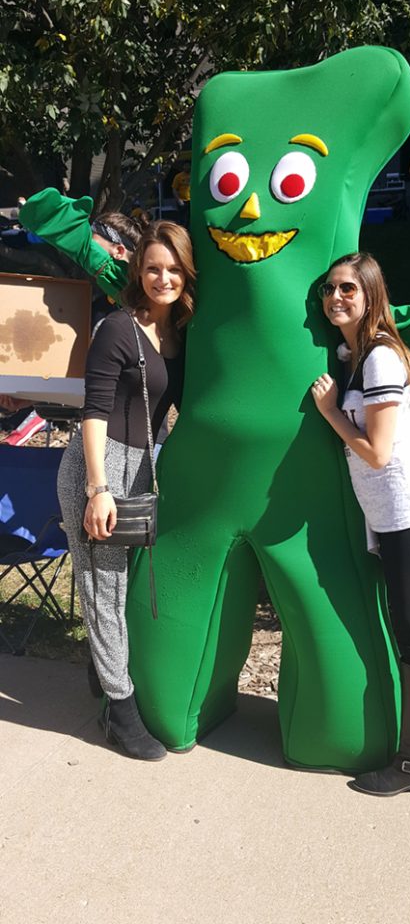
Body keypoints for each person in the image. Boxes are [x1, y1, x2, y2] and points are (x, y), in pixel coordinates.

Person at [311, 251, 410, 797]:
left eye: (348, 290)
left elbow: (378, 452)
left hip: (406, 517)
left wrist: (332, 412)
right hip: (407, 515)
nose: (336, 298)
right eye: (330, 289)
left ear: (371, 296)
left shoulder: (380, 359)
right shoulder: (362, 354)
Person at [57, 220, 196, 761]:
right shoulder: (119, 327)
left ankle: (103, 667)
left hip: (146, 466)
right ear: (138, 270)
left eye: (174, 269)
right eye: (154, 267)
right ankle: (120, 709)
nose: (164, 278)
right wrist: (98, 489)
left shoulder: (179, 335)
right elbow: (92, 412)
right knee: (105, 589)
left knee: (127, 583)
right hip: (101, 466)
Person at [171, 161, 191, 226]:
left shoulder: (194, 175)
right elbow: (174, 189)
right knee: (183, 219)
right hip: (183, 200)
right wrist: (179, 200)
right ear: (183, 167)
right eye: (185, 166)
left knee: (191, 218)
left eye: (188, 165)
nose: (187, 167)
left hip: (192, 201)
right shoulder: (178, 176)